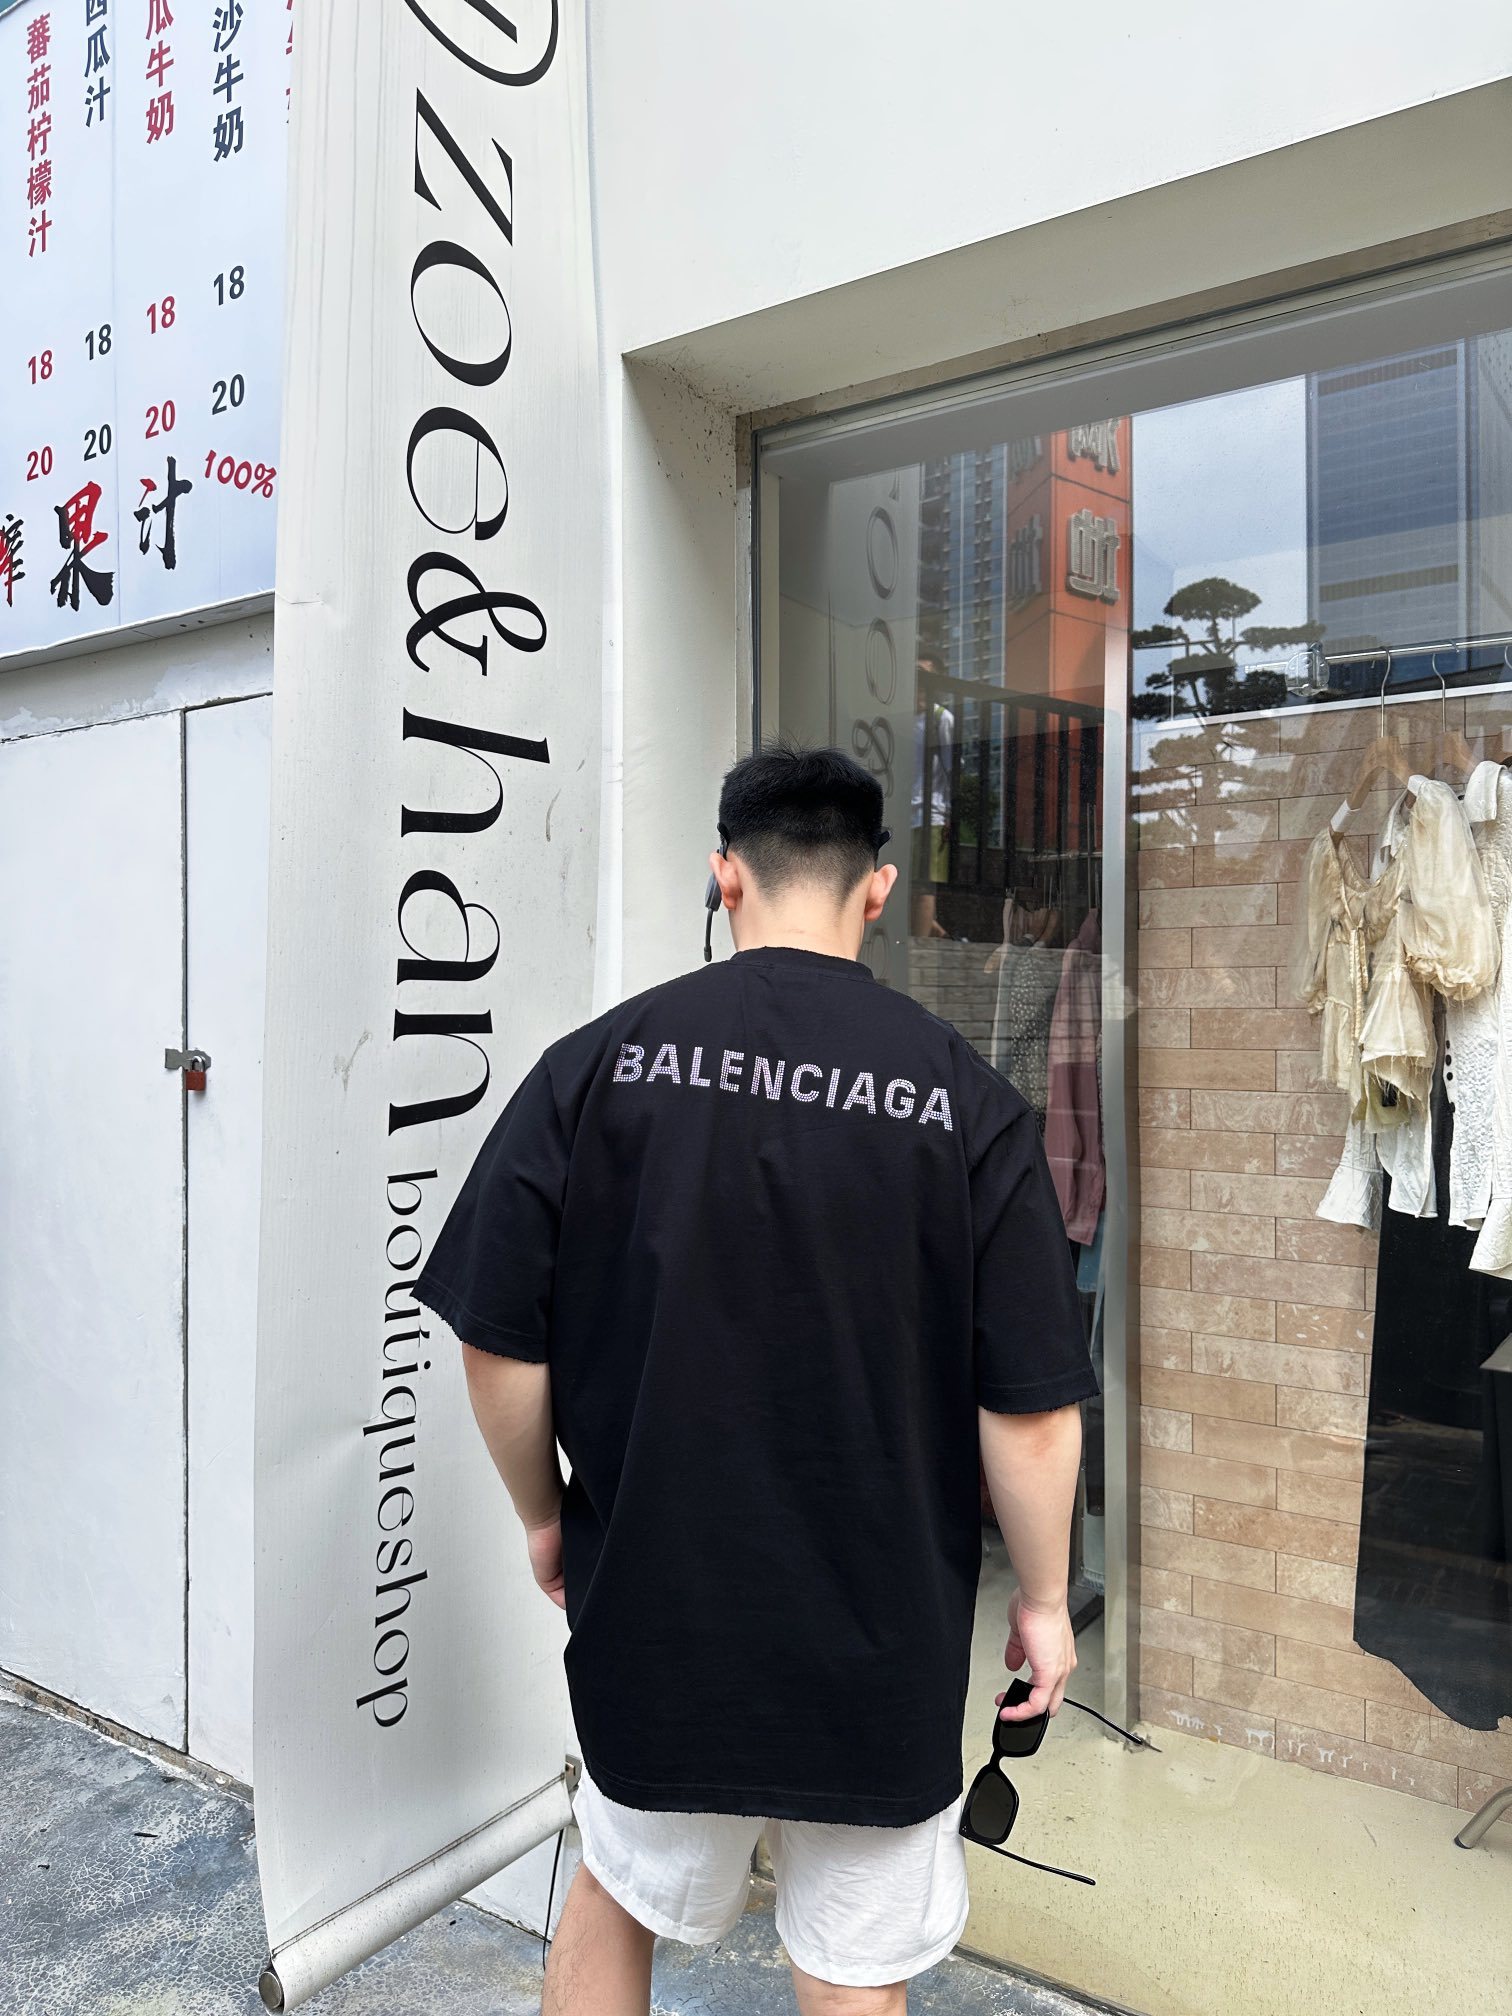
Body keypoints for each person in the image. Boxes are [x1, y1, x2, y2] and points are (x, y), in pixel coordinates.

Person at [413, 743, 1098, 2016]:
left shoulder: (596, 1068)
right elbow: (1030, 1410)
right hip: (879, 1642)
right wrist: (1047, 1602)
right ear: (877, 889)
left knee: (617, 1897)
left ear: (724, 876)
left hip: (658, 1612)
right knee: (854, 1971)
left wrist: (544, 1514)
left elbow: (498, 1340)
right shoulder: (969, 1104)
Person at [910, 649, 955, 940]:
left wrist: (950, 813)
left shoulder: (941, 719)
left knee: (925, 885)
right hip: (899, 814)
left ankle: (919, 948)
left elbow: (953, 769)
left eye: (925, 673)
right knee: (903, 883)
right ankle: (937, 933)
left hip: (931, 814)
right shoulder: (901, 718)